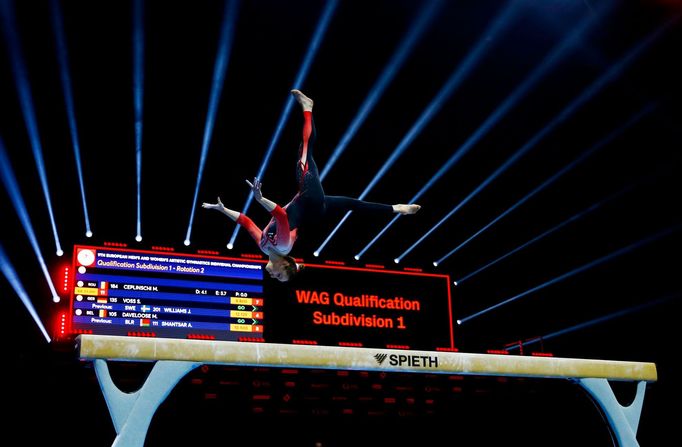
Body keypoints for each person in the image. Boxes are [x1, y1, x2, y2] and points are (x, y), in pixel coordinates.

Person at [202, 89, 420, 282]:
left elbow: (246, 222)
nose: (272, 275)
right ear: (284, 265)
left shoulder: (264, 247)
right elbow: (280, 216)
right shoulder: (283, 246)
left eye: (276, 278)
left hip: (313, 208)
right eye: (279, 275)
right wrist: (260, 199)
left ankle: (397, 209)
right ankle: (308, 107)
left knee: (354, 204)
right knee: (304, 152)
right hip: (310, 200)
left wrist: (222, 210)